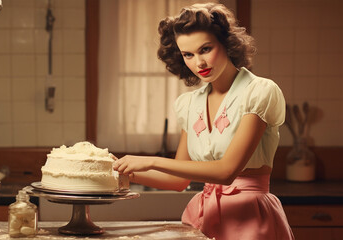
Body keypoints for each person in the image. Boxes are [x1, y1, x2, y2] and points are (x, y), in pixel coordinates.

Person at [113, 3, 294, 240]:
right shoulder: (190, 105)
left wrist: (150, 161)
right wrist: (115, 172)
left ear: (226, 44)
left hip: (250, 217)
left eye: (205, 49)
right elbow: (179, 180)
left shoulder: (259, 92)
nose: (199, 63)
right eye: (188, 54)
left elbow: (226, 171)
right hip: (205, 214)